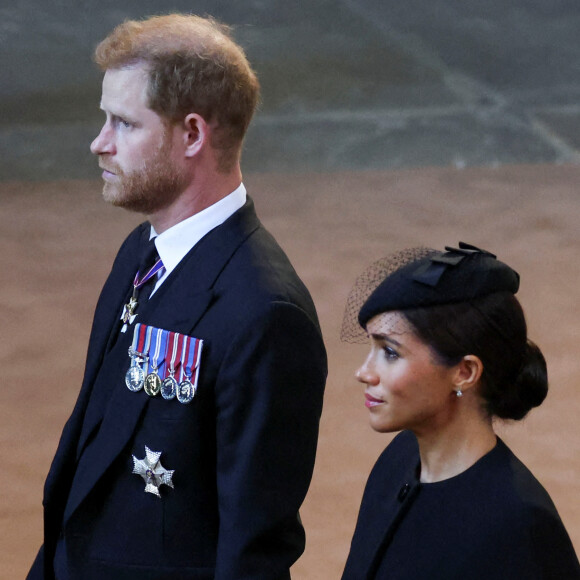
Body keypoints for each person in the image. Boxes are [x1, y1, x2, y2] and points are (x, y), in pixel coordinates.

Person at [28, 14, 327, 580]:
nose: (100, 143)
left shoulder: (264, 314)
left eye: (123, 123)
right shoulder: (141, 252)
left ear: (192, 134)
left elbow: (252, 550)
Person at [340, 242, 580, 579]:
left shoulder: (519, 525)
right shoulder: (397, 461)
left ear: (465, 372)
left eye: (390, 352)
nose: (364, 372)